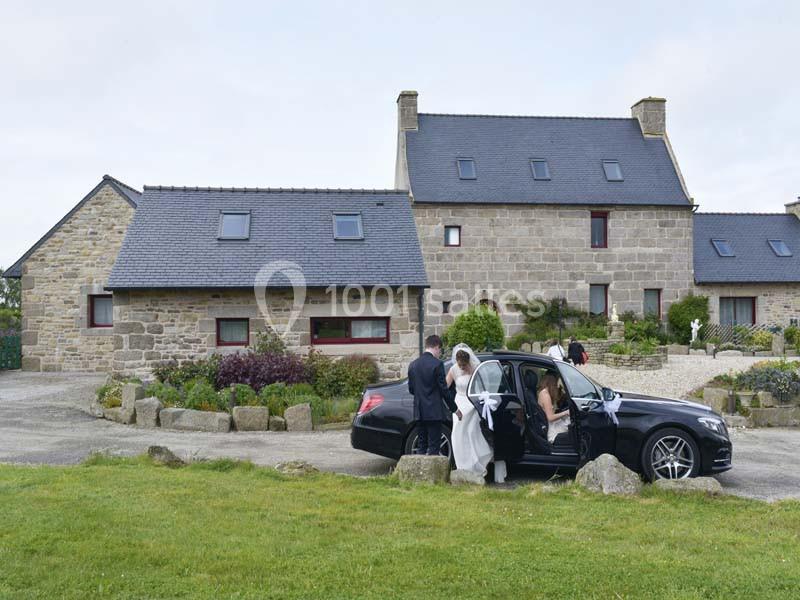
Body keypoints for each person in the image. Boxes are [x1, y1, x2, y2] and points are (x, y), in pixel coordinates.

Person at [407, 335, 462, 455]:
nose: (439, 353)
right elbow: (444, 390)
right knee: (433, 447)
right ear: (437, 347)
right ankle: (433, 474)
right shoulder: (437, 364)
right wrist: (455, 409)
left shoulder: (413, 365)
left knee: (421, 446)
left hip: (419, 412)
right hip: (434, 412)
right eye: (440, 350)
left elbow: (411, 389)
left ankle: (420, 473)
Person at [446, 343, 494, 477]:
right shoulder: (453, 370)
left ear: (468, 361)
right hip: (459, 403)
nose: (461, 367)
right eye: (459, 365)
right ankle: (462, 466)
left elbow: (482, 386)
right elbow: (445, 387)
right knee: (458, 434)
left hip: (472, 404)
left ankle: (475, 464)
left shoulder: (474, 368)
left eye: (463, 365)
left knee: (472, 433)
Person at [537, 373, 570, 443]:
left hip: (548, 424)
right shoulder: (546, 395)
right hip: (550, 429)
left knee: (566, 419)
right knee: (569, 421)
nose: (556, 387)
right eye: (555, 384)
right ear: (550, 384)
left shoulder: (543, 392)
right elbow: (550, 418)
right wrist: (566, 412)